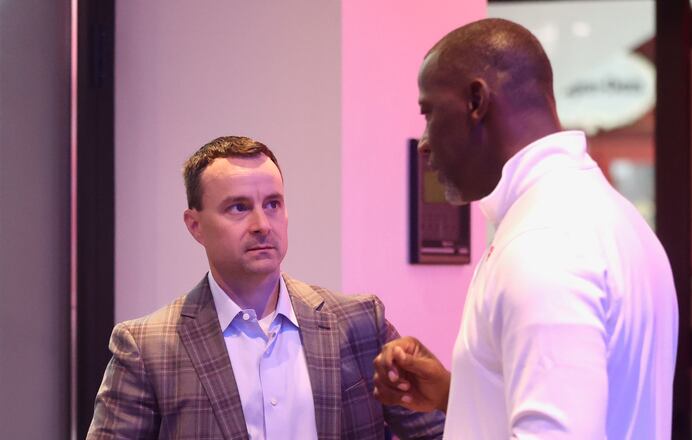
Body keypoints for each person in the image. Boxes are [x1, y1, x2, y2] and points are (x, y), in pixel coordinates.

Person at [373, 18, 678, 439]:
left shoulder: (543, 242)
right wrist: (457, 393)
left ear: (475, 101)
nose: (424, 141)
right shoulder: (613, 217)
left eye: (429, 112)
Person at [88, 136, 444, 439]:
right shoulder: (147, 349)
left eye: (272, 204)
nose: (262, 224)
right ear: (195, 225)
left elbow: (443, 432)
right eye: (238, 208)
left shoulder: (360, 323)